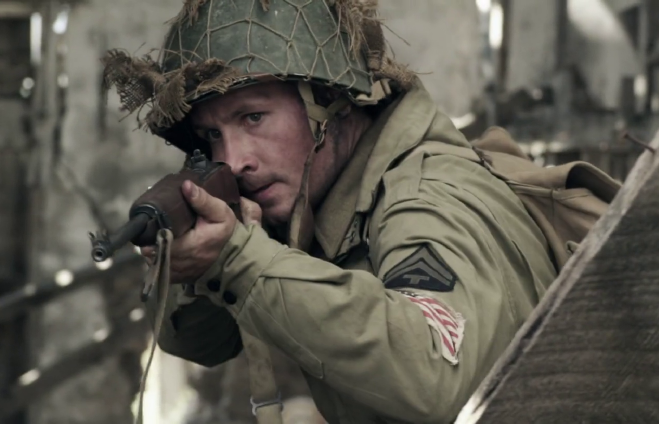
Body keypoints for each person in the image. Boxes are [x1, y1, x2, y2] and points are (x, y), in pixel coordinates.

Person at [103, 1, 559, 422]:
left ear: (330, 103)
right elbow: (201, 344)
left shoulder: (425, 197)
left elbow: (434, 374)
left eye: (253, 117)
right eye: (212, 135)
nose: (234, 159)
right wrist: (201, 265)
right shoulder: (321, 199)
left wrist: (237, 259)